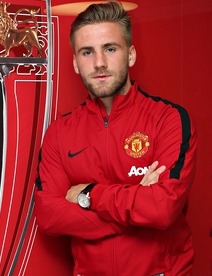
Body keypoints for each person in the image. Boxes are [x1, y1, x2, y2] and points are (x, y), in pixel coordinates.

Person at [33, 1, 197, 275]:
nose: (99, 63)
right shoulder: (60, 132)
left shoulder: (168, 119)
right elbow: (49, 216)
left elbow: (162, 208)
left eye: (110, 48)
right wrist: (132, 212)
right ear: (75, 63)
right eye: (87, 52)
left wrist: (88, 194)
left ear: (130, 55)